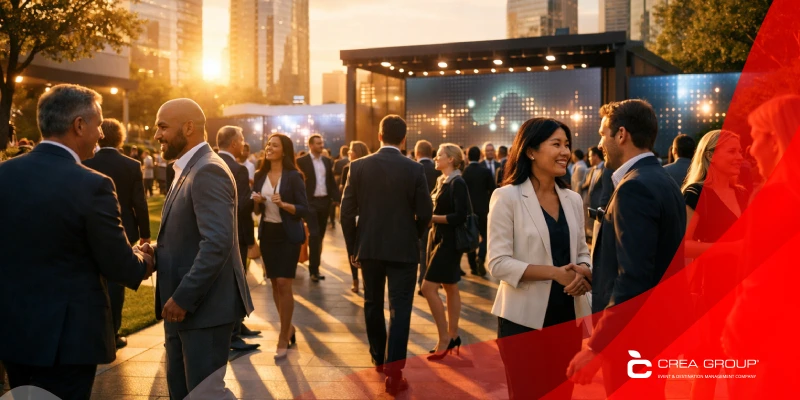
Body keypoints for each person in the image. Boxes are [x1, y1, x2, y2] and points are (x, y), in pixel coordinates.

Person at [0, 84, 154, 400]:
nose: (101, 135)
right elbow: (119, 265)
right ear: (79, 125)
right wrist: (146, 258)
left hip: (12, 331)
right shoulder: (93, 185)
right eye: (98, 125)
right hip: (67, 340)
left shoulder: (5, 174)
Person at [567, 100, 687, 399]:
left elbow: (634, 278)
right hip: (656, 330)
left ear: (621, 134)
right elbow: (652, 259)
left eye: (602, 133)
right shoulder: (662, 179)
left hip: (633, 337)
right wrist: (598, 274)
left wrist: (595, 347)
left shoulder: (635, 187)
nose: (599, 143)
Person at [152, 98, 254, 400]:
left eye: (162, 127)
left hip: (202, 308)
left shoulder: (208, 169)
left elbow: (217, 243)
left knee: (205, 395)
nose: (157, 135)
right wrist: (154, 252)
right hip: (185, 309)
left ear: (189, 127)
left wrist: (183, 298)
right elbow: (189, 236)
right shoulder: (188, 167)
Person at [487, 117, 592, 400]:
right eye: (556, 144)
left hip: (568, 319)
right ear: (531, 151)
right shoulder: (506, 196)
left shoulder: (571, 199)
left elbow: (583, 251)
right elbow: (497, 262)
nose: (565, 152)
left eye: (567, 145)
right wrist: (555, 273)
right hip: (523, 323)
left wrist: (582, 271)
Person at [340, 115, 433, 395]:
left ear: (379, 136)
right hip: (403, 249)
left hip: (369, 247)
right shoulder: (415, 169)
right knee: (400, 308)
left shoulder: (357, 167)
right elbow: (426, 212)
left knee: (372, 303)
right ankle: (394, 372)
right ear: (404, 139)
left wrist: (354, 246)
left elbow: (346, 213)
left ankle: (378, 357)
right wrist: (413, 235)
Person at [723, 95, 800, 400]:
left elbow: (759, 285)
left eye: (754, 139)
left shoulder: (775, 199)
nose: (750, 152)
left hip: (769, 350)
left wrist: (733, 332)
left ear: (773, 140)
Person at [679, 130, 747, 400]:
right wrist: (729, 250)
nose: (739, 158)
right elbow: (682, 245)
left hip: (741, 292)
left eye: (740, 152)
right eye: (732, 152)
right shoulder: (696, 193)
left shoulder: (741, 193)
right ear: (710, 155)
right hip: (711, 293)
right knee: (709, 371)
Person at [83, 118, 152, 350]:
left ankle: (92, 330)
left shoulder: (86, 160)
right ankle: (113, 333)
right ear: (121, 138)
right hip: (125, 229)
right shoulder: (131, 165)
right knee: (117, 280)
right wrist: (145, 234)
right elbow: (139, 203)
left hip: (90, 227)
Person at [252, 133, 309, 359]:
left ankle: (283, 336)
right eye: (268, 144)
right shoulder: (259, 174)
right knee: (275, 284)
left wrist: (284, 204)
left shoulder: (294, 176)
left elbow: (303, 209)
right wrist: (257, 202)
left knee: (285, 283)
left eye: (274, 145)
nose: (269, 148)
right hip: (268, 235)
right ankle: (289, 328)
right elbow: (257, 211)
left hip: (288, 236)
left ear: (284, 151)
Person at [423, 144, 472, 360]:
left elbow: (461, 215)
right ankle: (453, 334)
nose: (436, 157)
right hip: (437, 237)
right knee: (450, 286)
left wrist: (431, 218)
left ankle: (444, 337)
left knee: (427, 288)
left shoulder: (458, 182)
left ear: (451, 159)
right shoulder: (441, 180)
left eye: (440, 155)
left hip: (449, 241)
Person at [216, 126, 261, 349]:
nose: (244, 144)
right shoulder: (239, 169)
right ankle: (233, 333)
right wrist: (255, 200)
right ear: (233, 143)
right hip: (236, 234)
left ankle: (238, 325)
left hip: (215, 232)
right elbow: (241, 205)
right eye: (242, 140)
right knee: (236, 281)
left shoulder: (211, 162)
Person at [296, 134, 339, 282]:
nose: (322, 145)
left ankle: (315, 268)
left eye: (322, 143)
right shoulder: (302, 161)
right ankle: (313, 271)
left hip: (324, 203)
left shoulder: (327, 161)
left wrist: (338, 200)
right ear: (311, 145)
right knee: (314, 235)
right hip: (310, 203)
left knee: (319, 237)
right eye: (318, 143)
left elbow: (331, 182)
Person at [339, 141, 370, 293]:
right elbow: (343, 191)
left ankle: (365, 278)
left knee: (364, 247)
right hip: (351, 213)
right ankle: (355, 279)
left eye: (351, 150)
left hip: (364, 212)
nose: (348, 153)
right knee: (351, 247)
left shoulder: (368, 167)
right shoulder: (347, 168)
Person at [462, 146, 495, 276]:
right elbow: (493, 190)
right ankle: (481, 257)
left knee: (471, 237)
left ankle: (473, 267)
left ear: (468, 156)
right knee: (486, 235)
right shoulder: (485, 171)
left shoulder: (464, 172)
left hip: (469, 210)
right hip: (483, 209)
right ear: (480, 155)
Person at [414, 140, 441, 295]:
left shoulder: (412, 167)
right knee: (434, 250)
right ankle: (437, 281)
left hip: (419, 217)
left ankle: (422, 282)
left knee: (423, 250)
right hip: (437, 216)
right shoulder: (437, 169)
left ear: (417, 153)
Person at [580, 146, 606, 242]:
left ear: (596, 156)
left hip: (600, 206)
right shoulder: (591, 170)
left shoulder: (606, 169)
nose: (589, 159)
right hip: (590, 203)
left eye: (590, 156)